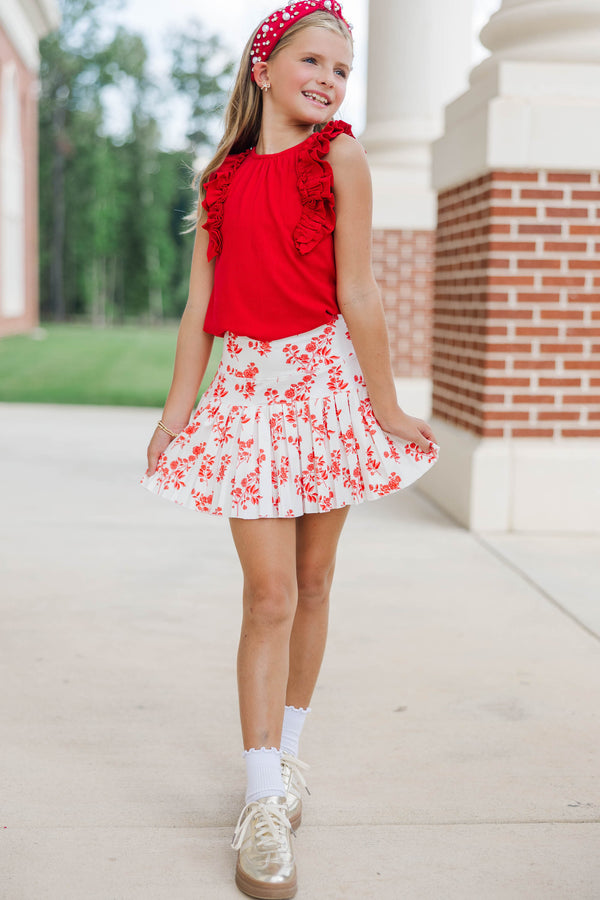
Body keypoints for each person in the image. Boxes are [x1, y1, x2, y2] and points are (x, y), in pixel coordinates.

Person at [141, 1, 440, 897]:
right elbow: (200, 312)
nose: (329, 80)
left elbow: (360, 292)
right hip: (247, 397)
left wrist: (385, 406)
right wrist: (173, 413)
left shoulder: (340, 156)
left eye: (342, 71)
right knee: (266, 594)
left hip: (325, 388)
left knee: (313, 584)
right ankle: (261, 798)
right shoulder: (222, 180)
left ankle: (292, 756)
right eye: (313, 61)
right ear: (263, 67)